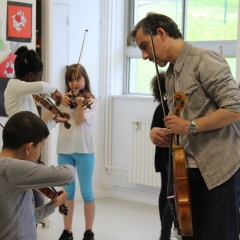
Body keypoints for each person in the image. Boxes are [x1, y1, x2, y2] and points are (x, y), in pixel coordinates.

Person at [129, 13, 240, 240]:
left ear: (160, 33)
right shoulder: (170, 73)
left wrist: (189, 126)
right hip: (187, 172)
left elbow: (235, 108)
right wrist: (159, 131)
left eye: (144, 46)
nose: (143, 56)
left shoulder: (204, 59)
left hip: (218, 172)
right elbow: (177, 118)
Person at [4, 46, 70, 214]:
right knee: (33, 201)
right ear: (31, 75)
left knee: (36, 200)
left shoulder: (25, 96)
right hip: (20, 154)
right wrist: (55, 90)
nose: (40, 80)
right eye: (39, 76)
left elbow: (36, 132)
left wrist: (55, 121)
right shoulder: (13, 86)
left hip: (27, 153)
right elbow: (40, 87)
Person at [0, 111, 76, 240]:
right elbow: (68, 173)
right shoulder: (13, 168)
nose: (39, 153)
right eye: (40, 148)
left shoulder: (7, 168)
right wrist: (40, 169)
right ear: (28, 148)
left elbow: (26, 219)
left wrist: (53, 205)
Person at [43, 64, 98, 240]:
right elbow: (43, 119)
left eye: (78, 79)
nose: (74, 83)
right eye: (70, 79)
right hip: (64, 150)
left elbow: (79, 121)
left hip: (84, 151)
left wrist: (80, 105)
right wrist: (57, 103)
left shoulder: (92, 101)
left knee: (87, 192)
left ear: (85, 80)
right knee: (68, 192)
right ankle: (67, 231)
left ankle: (88, 231)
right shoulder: (63, 100)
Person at [150, 73, 180, 240]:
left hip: (173, 158)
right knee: (169, 194)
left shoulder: (173, 106)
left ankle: (168, 231)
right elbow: (154, 131)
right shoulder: (162, 107)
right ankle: (165, 232)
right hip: (165, 158)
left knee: (170, 193)